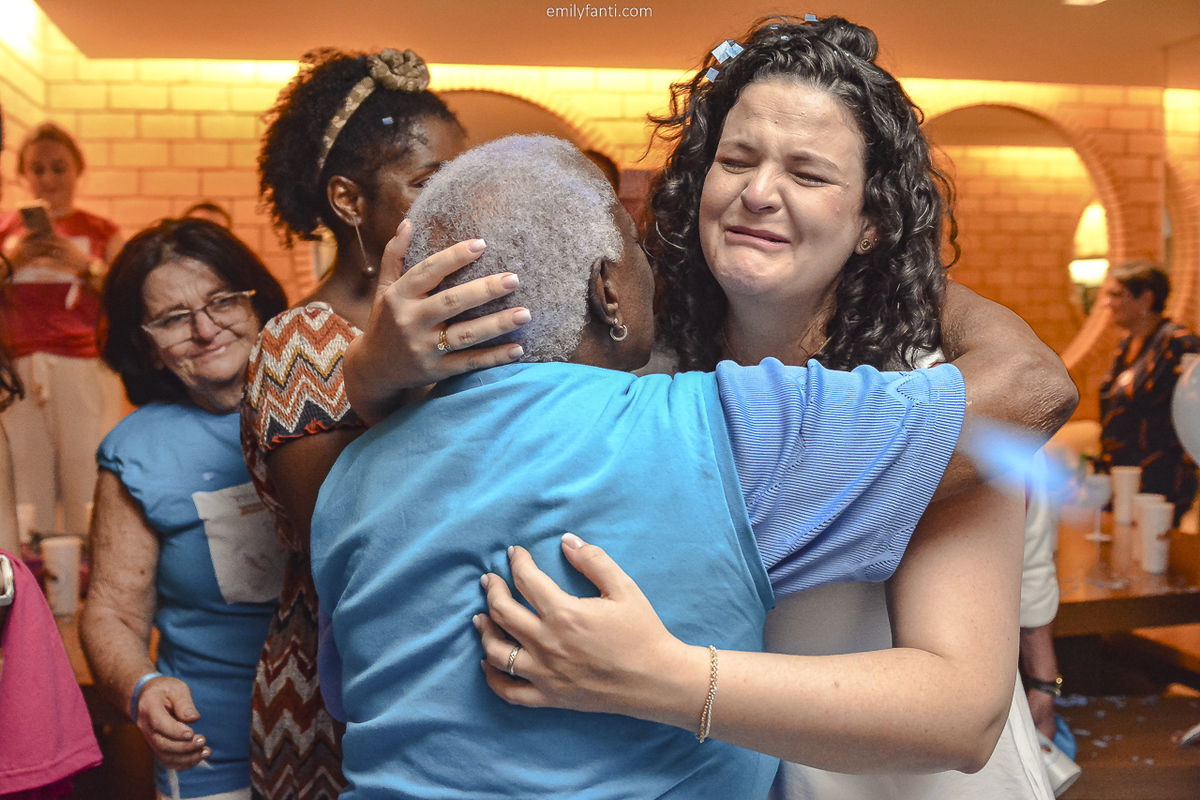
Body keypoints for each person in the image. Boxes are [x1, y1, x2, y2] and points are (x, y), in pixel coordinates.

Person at [313, 134, 1071, 799]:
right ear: (608, 291)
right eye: (636, 252)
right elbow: (1035, 392)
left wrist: (373, 380)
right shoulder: (710, 429)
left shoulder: (348, 481)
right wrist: (918, 281)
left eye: (808, 174)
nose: (759, 192)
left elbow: (354, 698)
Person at [242, 47, 525, 800]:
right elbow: (340, 537)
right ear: (347, 198)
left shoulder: (473, 323)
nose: (460, 202)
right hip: (340, 690)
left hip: (464, 675)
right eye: (432, 182)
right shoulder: (299, 343)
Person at [80, 218, 289, 800]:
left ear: (257, 303)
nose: (205, 328)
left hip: (355, 733)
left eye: (222, 301)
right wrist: (142, 686)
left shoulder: (338, 407)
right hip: (213, 748)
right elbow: (113, 613)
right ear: (145, 344)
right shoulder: (137, 451)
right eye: (172, 318)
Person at [0, 122, 124, 539]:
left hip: (82, 365)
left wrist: (82, 265)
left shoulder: (99, 231)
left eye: (58, 168)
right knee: (24, 479)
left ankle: (87, 570)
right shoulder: (5, 231)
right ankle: (32, 576)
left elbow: (127, 296)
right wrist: (11, 261)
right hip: (17, 371)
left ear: (77, 171)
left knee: (85, 473)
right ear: (23, 173)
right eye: (37, 169)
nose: (48, 179)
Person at [1098, 261, 1200, 526]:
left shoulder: (1179, 344)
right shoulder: (1126, 345)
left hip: (1161, 481)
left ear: (1145, 299)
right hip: (1123, 478)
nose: (1106, 303)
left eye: (1116, 295)